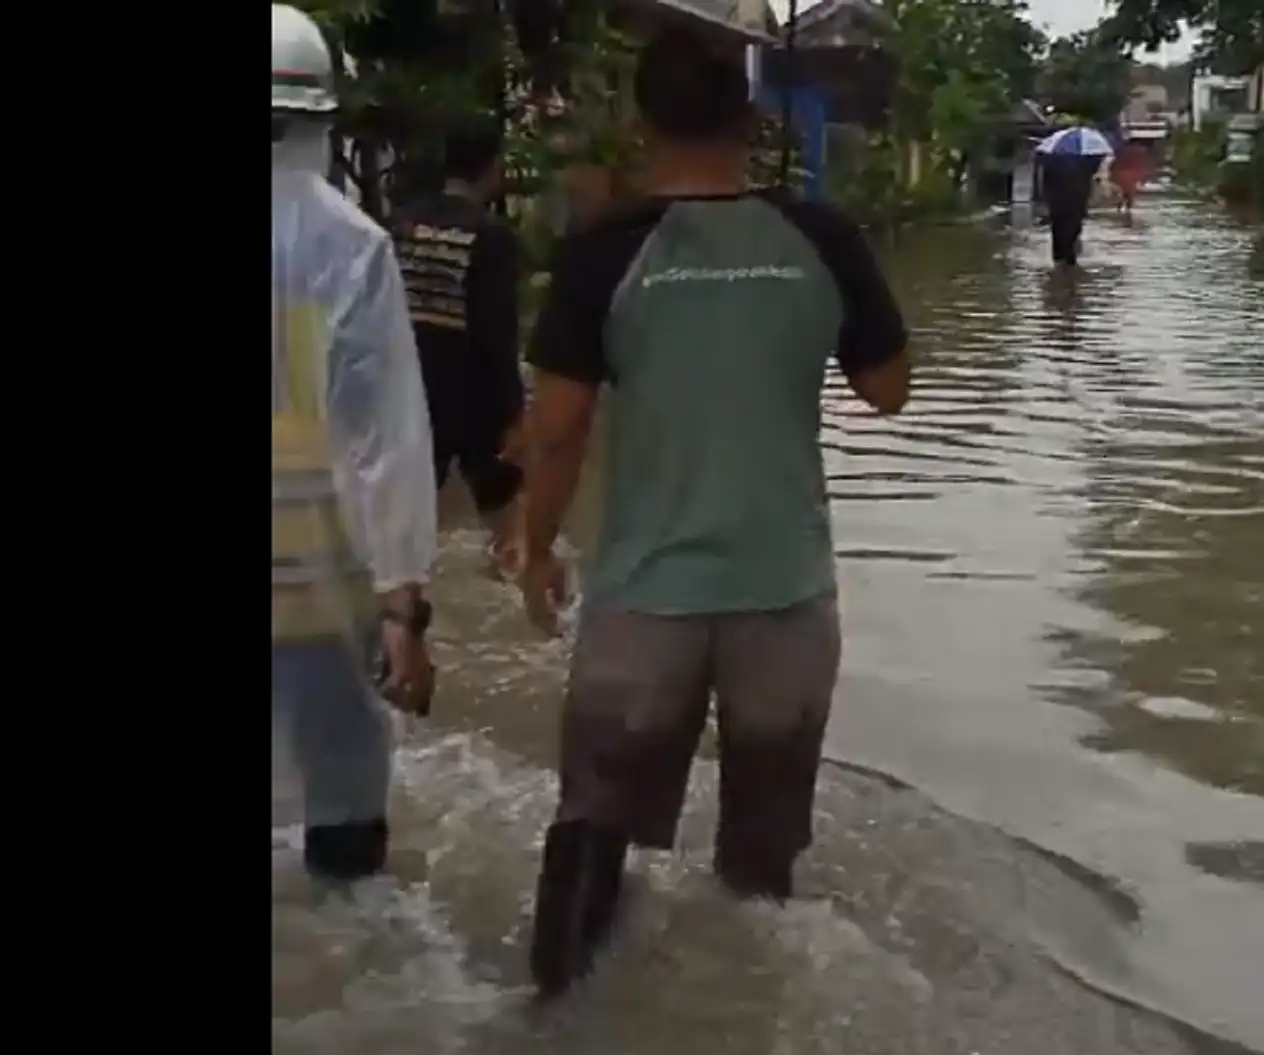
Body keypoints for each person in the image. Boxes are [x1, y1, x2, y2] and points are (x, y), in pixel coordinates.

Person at [515, 26, 911, 995]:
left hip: (645, 595)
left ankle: (544, 1030)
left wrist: (534, 549)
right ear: (749, 118)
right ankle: (742, 1035)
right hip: (783, 592)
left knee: (592, 830)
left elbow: (558, 430)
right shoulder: (821, 238)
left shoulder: (601, 249)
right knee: (760, 866)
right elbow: (888, 391)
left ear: (639, 120)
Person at [272, 3, 438, 881]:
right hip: (321, 593)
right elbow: (389, 444)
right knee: (340, 833)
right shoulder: (355, 250)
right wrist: (403, 608)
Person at [391, 121, 526, 573]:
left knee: (405, 526)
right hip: (474, 398)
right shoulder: (490, 236)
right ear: (492, 168)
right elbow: (497, 333)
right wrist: (514, 415)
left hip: (410, 391)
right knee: (504, 523)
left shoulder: (404, 225)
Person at [1038, 146, 1103, 265]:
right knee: (1073, 227)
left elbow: (1044, 178)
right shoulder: (1085, 159)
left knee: (1058, 229)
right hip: (1076, 199)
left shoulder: (1050, 158)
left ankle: (1060, 258)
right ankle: (1068, 258)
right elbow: (1094, 168)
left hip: (1057, 201)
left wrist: (1045, 199)